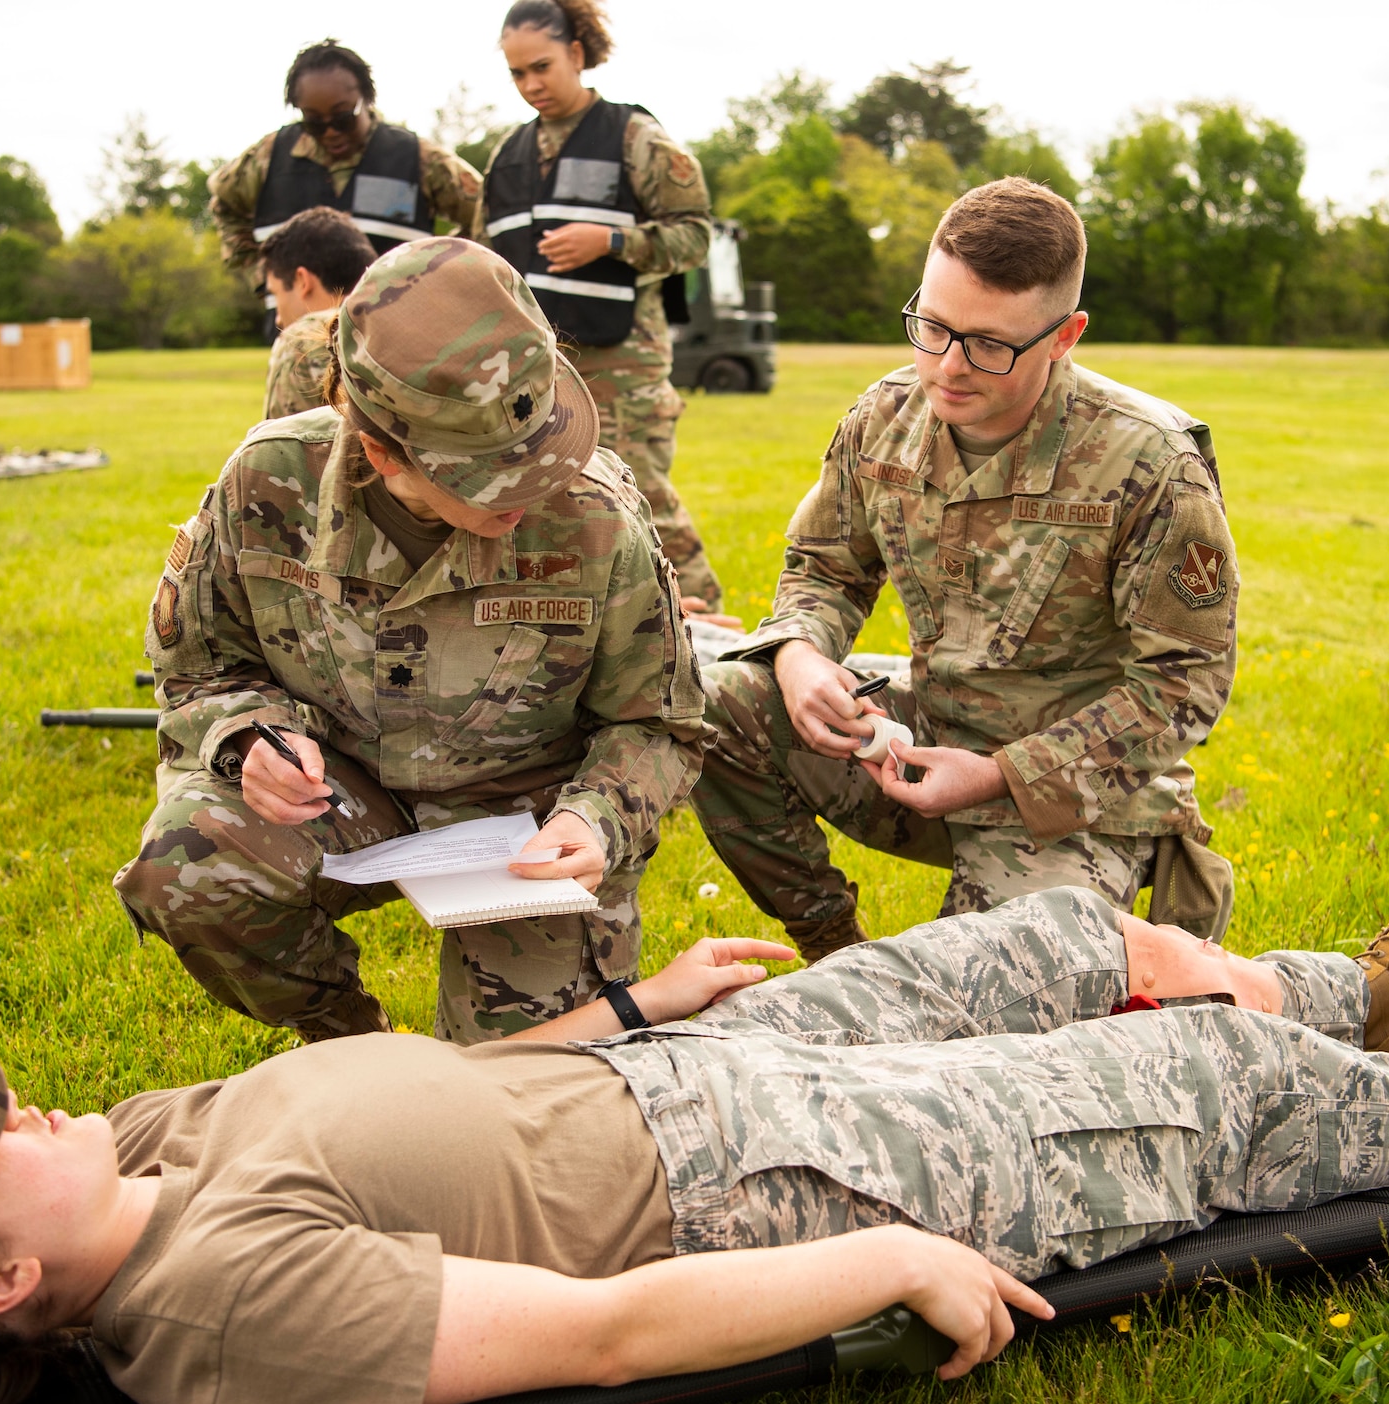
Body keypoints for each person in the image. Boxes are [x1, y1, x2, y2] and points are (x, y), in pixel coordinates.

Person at [0, 856, 1389, 1404]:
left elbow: (455, 1093)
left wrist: (642, 997)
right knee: (1183, 1094)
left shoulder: (128, 1150)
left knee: (1065, 931)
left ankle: (1369, 990)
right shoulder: (221, 1314)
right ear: (4, 1279)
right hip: (761, 1172)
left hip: (684, 1059)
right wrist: (888, 1260)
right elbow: (599, 1334)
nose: (7, 1101)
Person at [112, 237, 706, 1045]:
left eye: (541, 453)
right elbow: (199, 665)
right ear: (381, 450)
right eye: (489, 478)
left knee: (523, 1090)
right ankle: (351, 1046)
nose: (532, 491)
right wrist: (247, 734)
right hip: (350, 790)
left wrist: (597, 817)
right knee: (187, 862)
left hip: (531, 824)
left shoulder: (597, 517)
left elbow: (658, 721)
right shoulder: (267, 483)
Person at [691, 178, 1242, 959]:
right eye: (932, 326)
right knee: (721, 703)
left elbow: (1181, 686)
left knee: (972, 999)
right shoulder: (884, 417)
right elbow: (823, 568)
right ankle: (834, 950)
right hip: (923, 740)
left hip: (1070, 797)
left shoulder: (1146, 461)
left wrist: (995, 776)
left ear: (1064, 335)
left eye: (989, 344)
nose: (948, 366)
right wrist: (800, 653)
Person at [477, 0, 733, 625]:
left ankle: (717, 635)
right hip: (538, 364)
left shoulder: (634, 138)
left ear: (578, 53)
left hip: (624, 360)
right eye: (517, 74)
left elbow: (697, 235)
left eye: (541, 67)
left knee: (640, 492)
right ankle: (605, 626)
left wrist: (612, 241)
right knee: (545, 500)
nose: (531, 85)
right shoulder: (506, 158)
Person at [208, 39, 482, 335]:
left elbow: (487, 214)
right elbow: (224, 206)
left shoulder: (418, 158)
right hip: (297, 339)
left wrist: (434, 270)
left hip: (394, 337)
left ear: (366, 99)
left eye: (342, 118)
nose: (330, 132)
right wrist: (262, 276)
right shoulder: (267, 159)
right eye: (313, 122)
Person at [256, 207, 373, 421]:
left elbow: (284, 451)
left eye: (276, 294)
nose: (279, 319)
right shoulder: (408, 320)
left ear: (302, 281)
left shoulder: (301, 339)